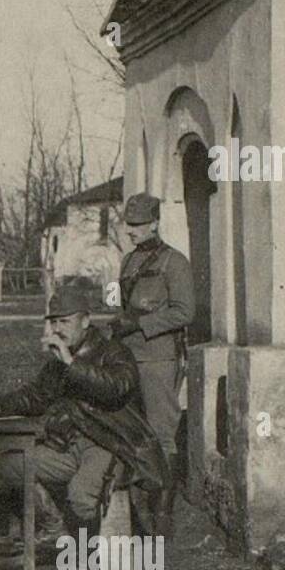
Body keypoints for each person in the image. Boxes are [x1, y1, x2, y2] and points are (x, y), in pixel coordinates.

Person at [0, 285, 169, 570]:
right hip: (68, 443)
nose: (56, 329)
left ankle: (82, 568)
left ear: (85, 321)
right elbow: (37, 395)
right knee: (13, 466)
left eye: (64, 322)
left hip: (110, 444)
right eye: (53, 322)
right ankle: (56, 529)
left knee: (81, 495)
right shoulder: (60, 360)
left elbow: (115, 389)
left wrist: (71, 364)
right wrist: (1, 404)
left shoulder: (115, 352)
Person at [112, 193, 194, 537]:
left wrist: (141, 325)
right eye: (127, 224)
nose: (130, 231)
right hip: (128, 357)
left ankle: (163, 514)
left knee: (162, 434)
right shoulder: (129, 261)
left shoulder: (174, 262)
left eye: (137, 225)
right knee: (133, 430)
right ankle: (137, 508)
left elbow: (185, 312)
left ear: (155, 224)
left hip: (159, 358)